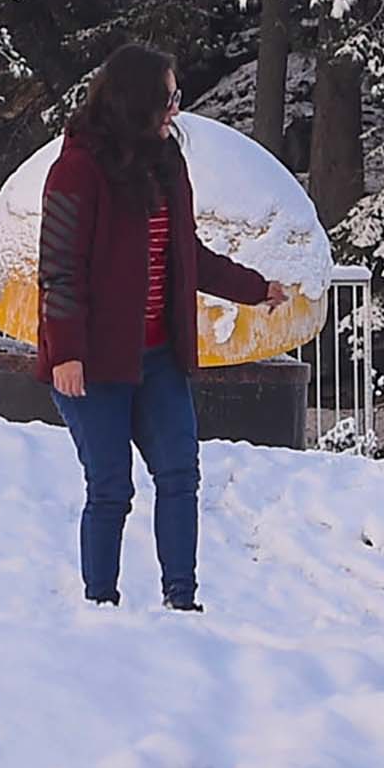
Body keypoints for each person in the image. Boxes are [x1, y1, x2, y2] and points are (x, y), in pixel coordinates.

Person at [38, 43, 280, 612]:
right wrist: (67, 352)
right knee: (111, 488)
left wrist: (254, 288)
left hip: (157, 357)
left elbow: (184, 255)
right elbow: (60, 268)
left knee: (179, 474)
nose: (176, 108)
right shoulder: (77, 167)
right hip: (94, 362)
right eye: (168, 97)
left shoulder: (167, 163)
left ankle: (182, 602)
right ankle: (101, 606)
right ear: (135, 100)